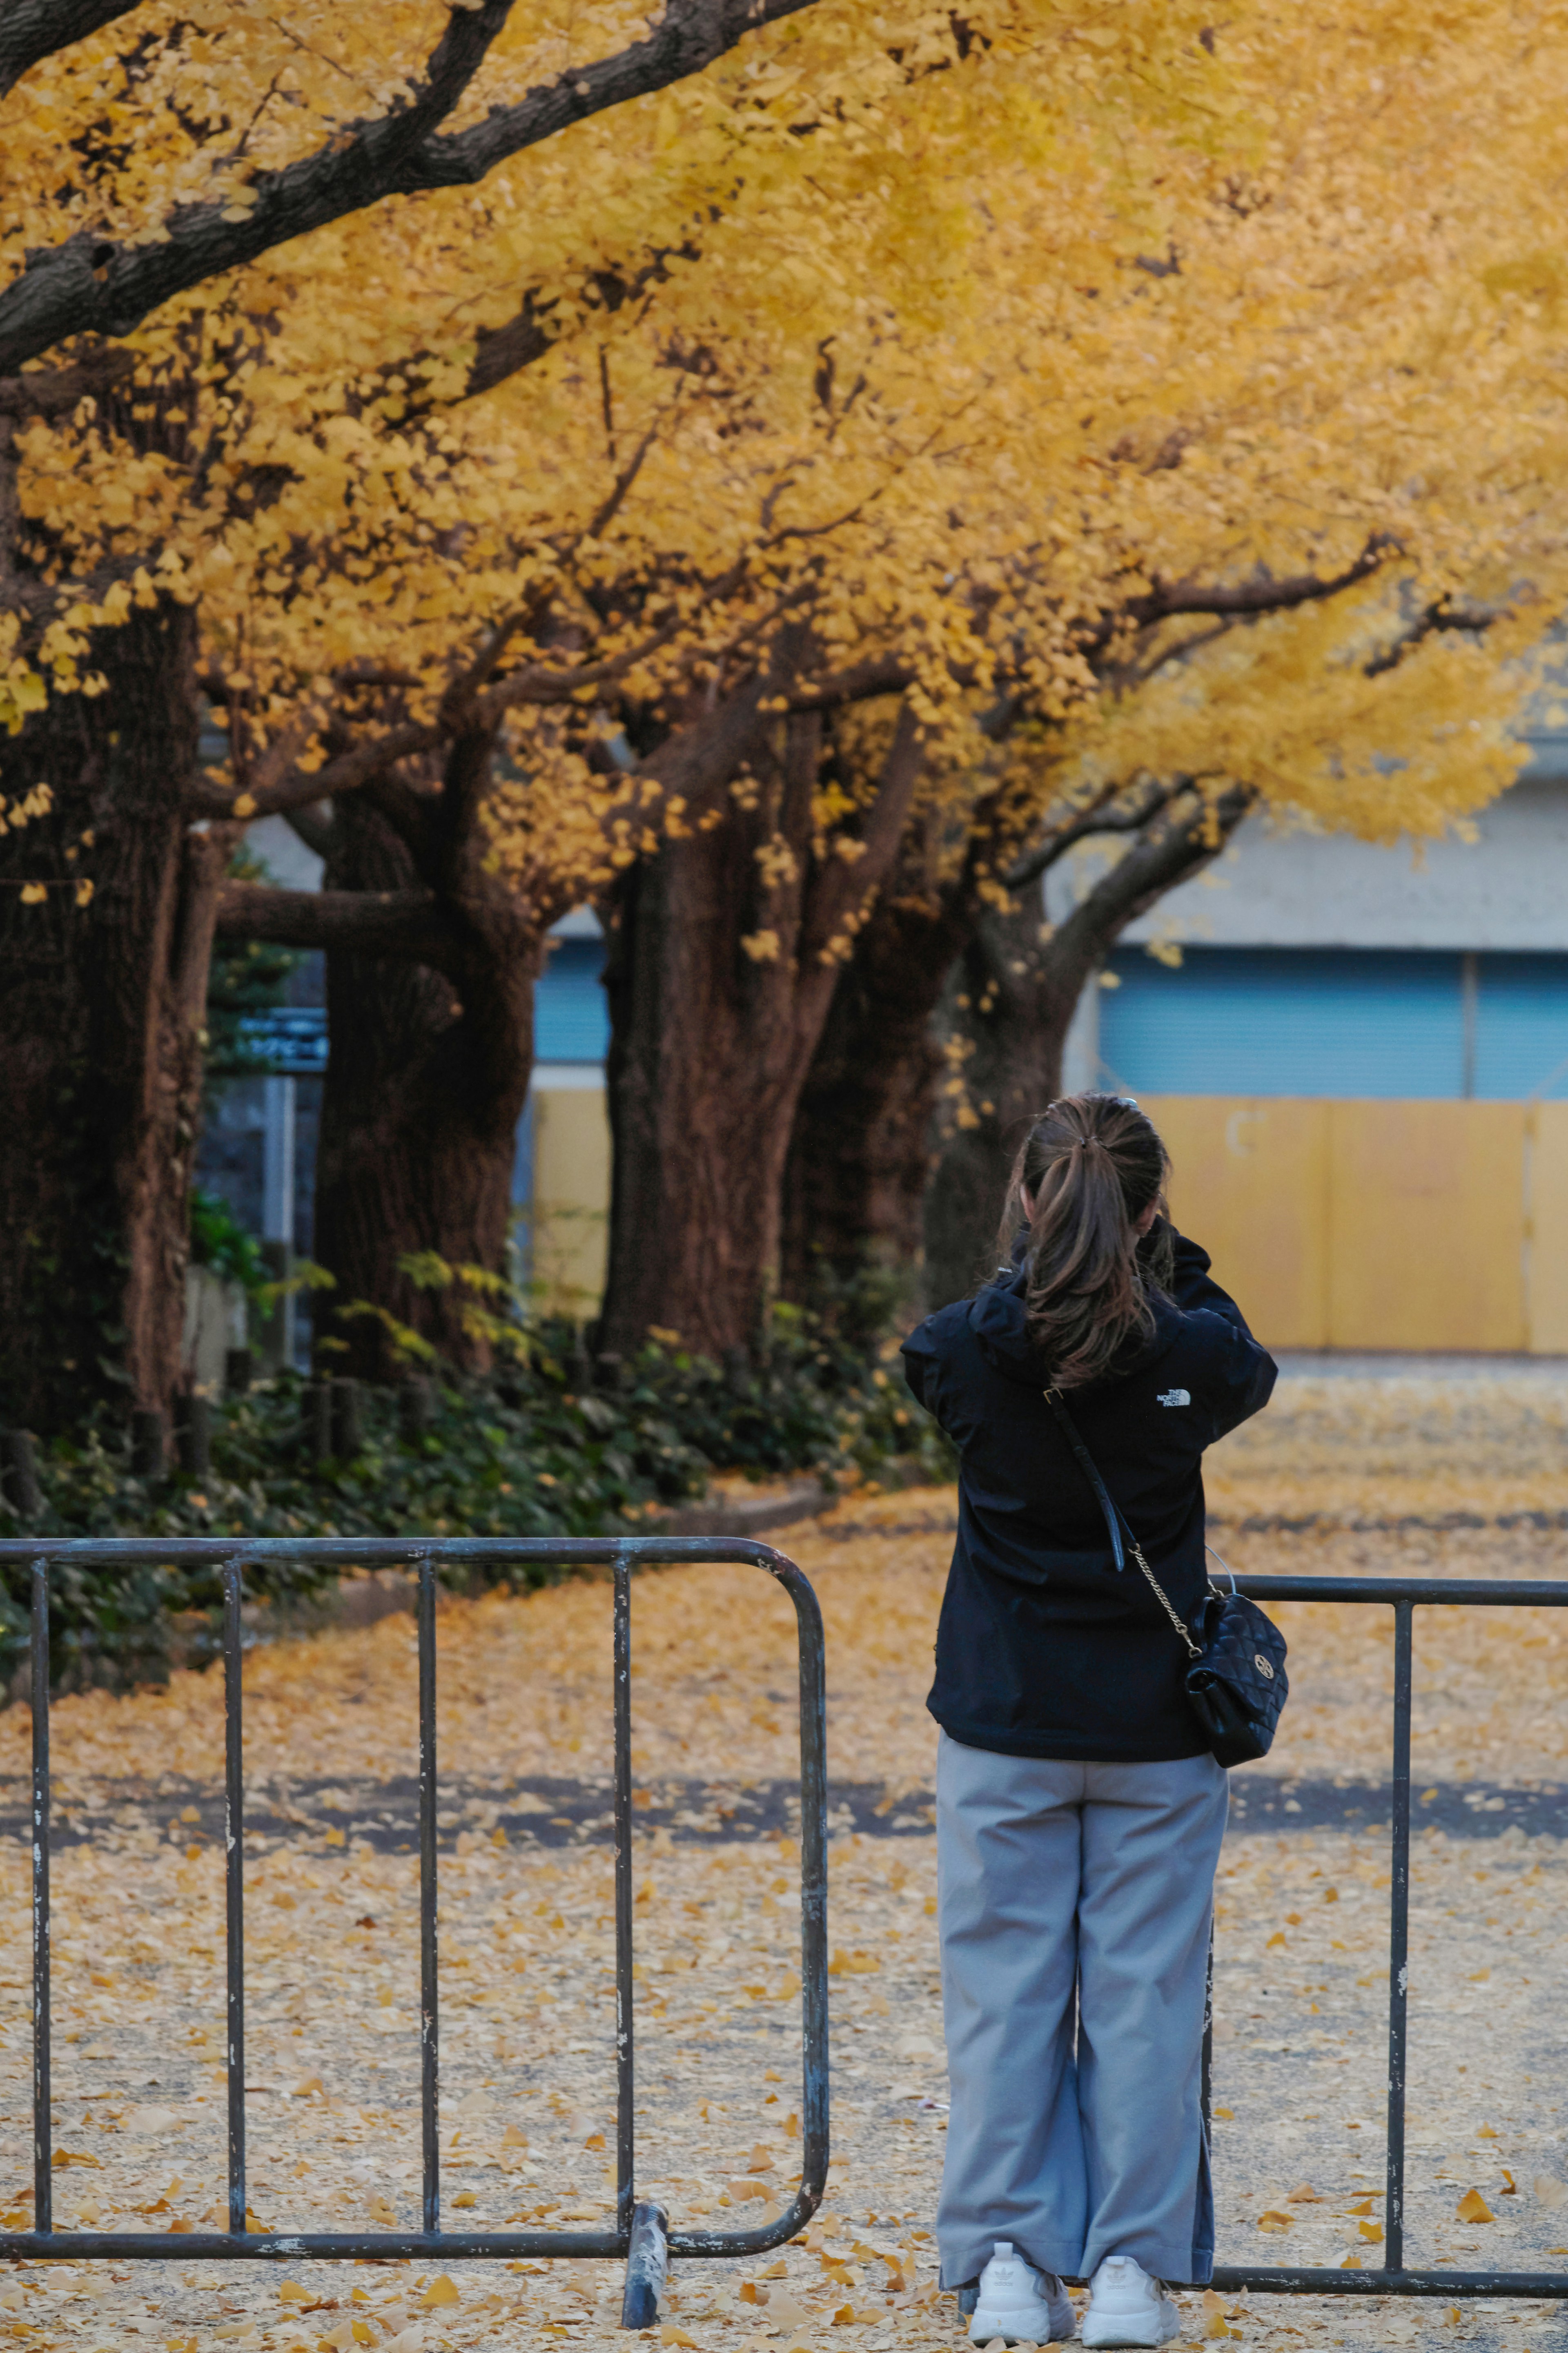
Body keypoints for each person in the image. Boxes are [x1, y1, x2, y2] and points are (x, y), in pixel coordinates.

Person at [901, 1093, 1276, 2349]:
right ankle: (1130, 2268)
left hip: (1004, 1722)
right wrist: (1157, 1249)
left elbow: (976, 1343)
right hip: (1158, 1736)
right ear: (1153, 1210)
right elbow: (1239, 1352)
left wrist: (1047, 1259)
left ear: (1022, 1199)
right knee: (1146, 2001)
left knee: (1003, 1998)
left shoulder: (956, 1349)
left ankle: (1007, 2258)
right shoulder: (1195, 1355)